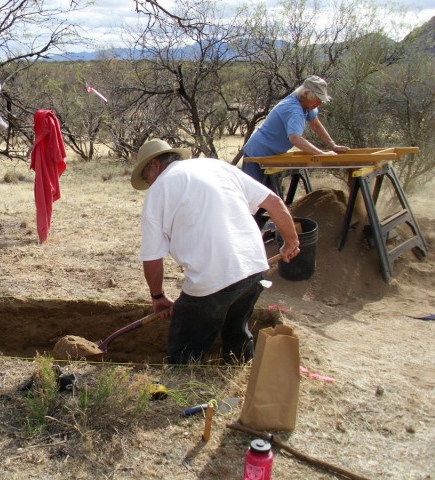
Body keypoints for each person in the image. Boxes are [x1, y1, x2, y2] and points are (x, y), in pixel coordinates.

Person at [131, 139, 301, 364]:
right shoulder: (217, 166)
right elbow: (274, 201)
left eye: (146, 178)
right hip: (254, 267)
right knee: (236, 325)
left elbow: (152, 257)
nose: (149, 184)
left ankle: (182, 377)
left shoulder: (159, 191)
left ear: (154, 165)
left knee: (186, 344)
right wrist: (291, 240)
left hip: (212, 279)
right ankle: (239, 365)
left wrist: (158, 296)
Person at [242, 75, 349, 185]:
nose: (320, 104)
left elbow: (315, 125)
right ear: (306, 94)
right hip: (257, 155)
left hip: (272, 156)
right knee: (254, 197)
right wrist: (321, 154)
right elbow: (295, 138)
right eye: (317, 99)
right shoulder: (294, 110)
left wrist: (332, 145)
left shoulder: (305, 104)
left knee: (270, 195)